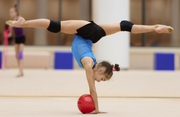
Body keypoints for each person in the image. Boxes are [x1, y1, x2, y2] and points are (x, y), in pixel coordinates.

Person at [6, 17, 173, 113]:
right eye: (101, 79)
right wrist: (97, 109)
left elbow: (104, 74)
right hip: (84, 31)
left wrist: (113, 69)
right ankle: (24, 23)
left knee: (124, 26)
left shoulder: (94, 63)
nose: (98, 81)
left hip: (92, 35)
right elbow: (92, 89)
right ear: (99, 70)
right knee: (55, 26)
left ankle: (155, 27)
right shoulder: (88, 64)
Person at [9, 5, 26, 77]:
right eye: (10, 12)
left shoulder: (19, 18)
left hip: (22, 37)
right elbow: (10, 31)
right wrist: (8, 34)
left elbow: (24, 21)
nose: (10, 14)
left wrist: (20, 22)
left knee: (20, 54)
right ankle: (20, 69)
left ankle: (20, 71)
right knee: (16, 55)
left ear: (16, 12)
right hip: (16, 38)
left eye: (12, 12)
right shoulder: (11, 22)